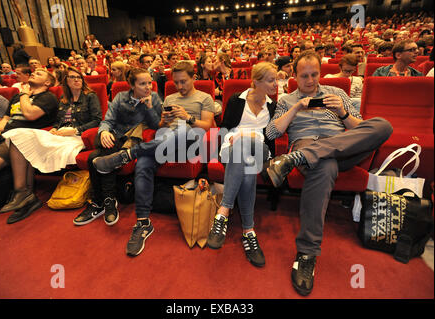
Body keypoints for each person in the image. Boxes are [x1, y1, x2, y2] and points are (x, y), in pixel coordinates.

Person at [264, 50, 393, 296]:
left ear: (320, 74)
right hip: (306, 145)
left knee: (383, 125)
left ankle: (295, 160)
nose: (310, 81)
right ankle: (307, 253)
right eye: (304, 76)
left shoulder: (339, 94)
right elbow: (271, 134)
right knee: (324, 164)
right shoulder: (287, 100)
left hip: (343, 146)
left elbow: (362, 129)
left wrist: (343, 114)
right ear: (294, 76)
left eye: (314, 75)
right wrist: (295, 109)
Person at [92, 61, 215, 257]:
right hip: (163, 142)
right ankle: (142, 222)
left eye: (184, 81)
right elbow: (159, 126)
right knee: (143, 163)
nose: (180, 86)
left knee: (180, 133)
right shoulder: (170, 98)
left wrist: (187, 117)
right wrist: (163, 120)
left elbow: (207, 126)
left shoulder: (205, 98)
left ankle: (127, 155)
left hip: (190, 142)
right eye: (176, 82)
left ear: (194, 78)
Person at [0, 66, 101, 223]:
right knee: (18, 135)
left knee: (26, 141)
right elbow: (59, 119)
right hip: (59, 134)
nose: (76, 80)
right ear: (65, 82)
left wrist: (75, 130)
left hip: (76, 136)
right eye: (72, 77)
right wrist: (54, 127)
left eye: (79, 77)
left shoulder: (90, 96)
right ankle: (24, 191)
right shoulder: (63, 99)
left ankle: (24, 193)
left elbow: (97, 120)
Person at [207, 62, 278, 268]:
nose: (276, 84)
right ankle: (248, 231)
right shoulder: (236, 100)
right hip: (233, 148)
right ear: (256, 82)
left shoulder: (273, 106)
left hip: (261, 151)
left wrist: (247, 136)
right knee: (244, 159)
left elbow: (270, 138)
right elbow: (226, 129)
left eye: (276, 79)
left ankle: (223, 211)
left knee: (247, 144)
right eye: (270, 80)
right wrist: (234, 138)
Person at [72, 67, 162, 227]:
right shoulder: (121, 97)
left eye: (150, 82)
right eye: (143, 84)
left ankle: (101, 202)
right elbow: (108, 120)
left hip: (134, 140)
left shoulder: (154, 98)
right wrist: (104, 131)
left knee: (94, 158)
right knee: (103, 150)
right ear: (132, 85)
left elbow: (158, 125)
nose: (148, 87)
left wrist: (149, 108)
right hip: (116, 137)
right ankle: (107, 202)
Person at [0, 68, 58, 195]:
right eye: (34, 72)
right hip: (1, 136)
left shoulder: (48, 98)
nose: (34, 73)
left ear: (47, 83)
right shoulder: (16, 97)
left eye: (39, 74)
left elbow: (30, 114)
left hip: (19, 142)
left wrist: (24, 95)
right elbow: (7, 118)